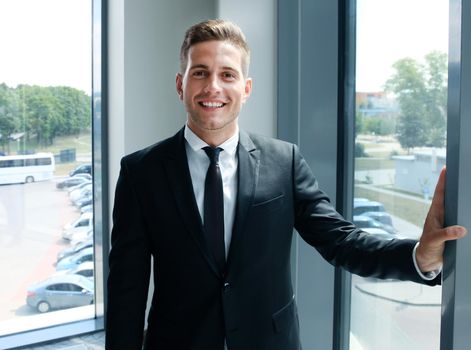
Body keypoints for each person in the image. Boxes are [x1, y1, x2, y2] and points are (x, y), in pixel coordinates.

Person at [105, 19, 467, 350]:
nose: (213, 86)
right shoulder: (141, 172)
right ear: (181, 84)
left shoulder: (284, 161)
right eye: (200, 73)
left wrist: (418, 256)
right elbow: (127, 288)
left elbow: (341, 241)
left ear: (246, 89)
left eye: (227, 75)